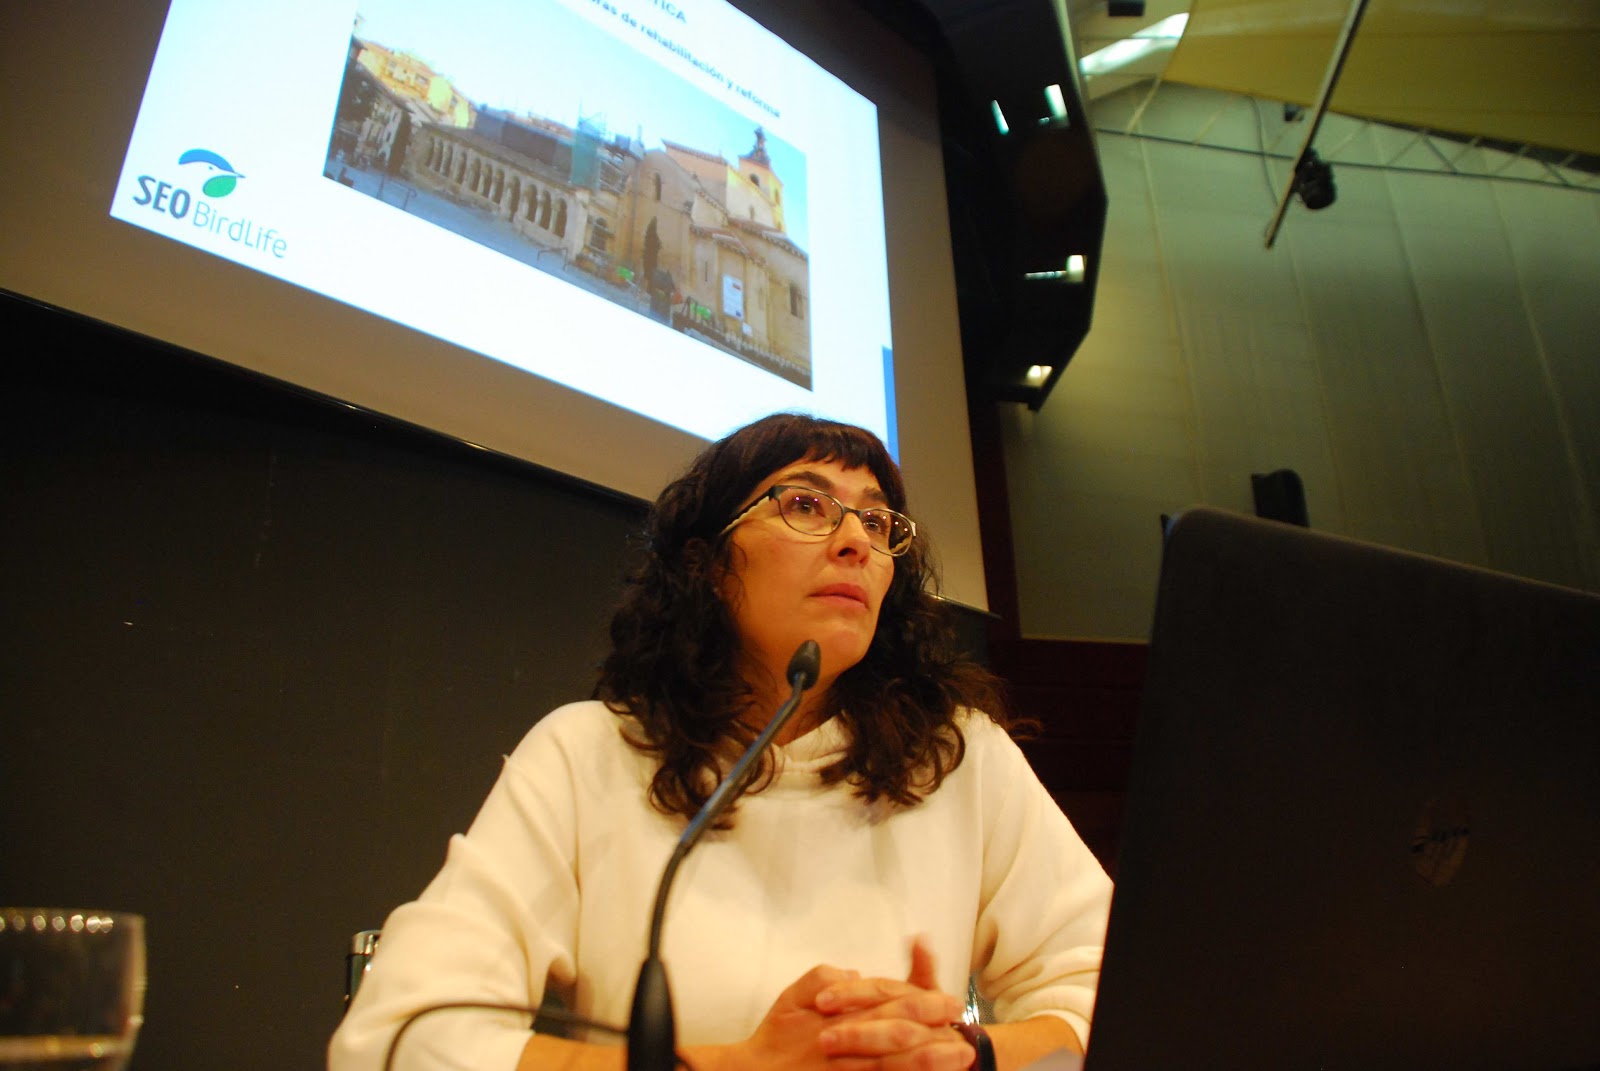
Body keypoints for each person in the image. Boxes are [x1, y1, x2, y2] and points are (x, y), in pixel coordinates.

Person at [330, 413, 1112, 1071]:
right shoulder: (589, 756)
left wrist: (967, 1057)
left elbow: (1114, 995)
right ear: (706, 563)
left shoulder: (957, 758)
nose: (855, 541)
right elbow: (397, 1035)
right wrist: (744, 1063)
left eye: (876, 521)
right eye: (806, 504)